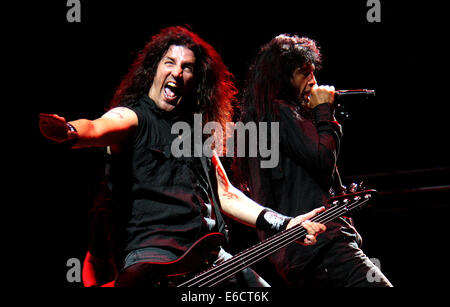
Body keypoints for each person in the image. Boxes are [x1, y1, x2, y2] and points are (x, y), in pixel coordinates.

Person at [39, 26, 326, 287]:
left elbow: (226, 194)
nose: (177, 73)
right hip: (156, 260)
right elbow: (98, 127)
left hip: (208, 258)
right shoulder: (132, 118)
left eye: (187, 68)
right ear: (154, 69)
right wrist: (70, 131)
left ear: (195, 81)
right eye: (170, 63)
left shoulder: (194, 133)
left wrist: (285, 223)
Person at [233, 33, 392, 287]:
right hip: (320, 246)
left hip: (299, 253)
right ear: (282, 77)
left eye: (312, 72)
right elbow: (322, 159)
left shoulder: (263, 119)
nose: (313, 81)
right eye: (303, 73)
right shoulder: (280, 112)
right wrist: (323, 111)